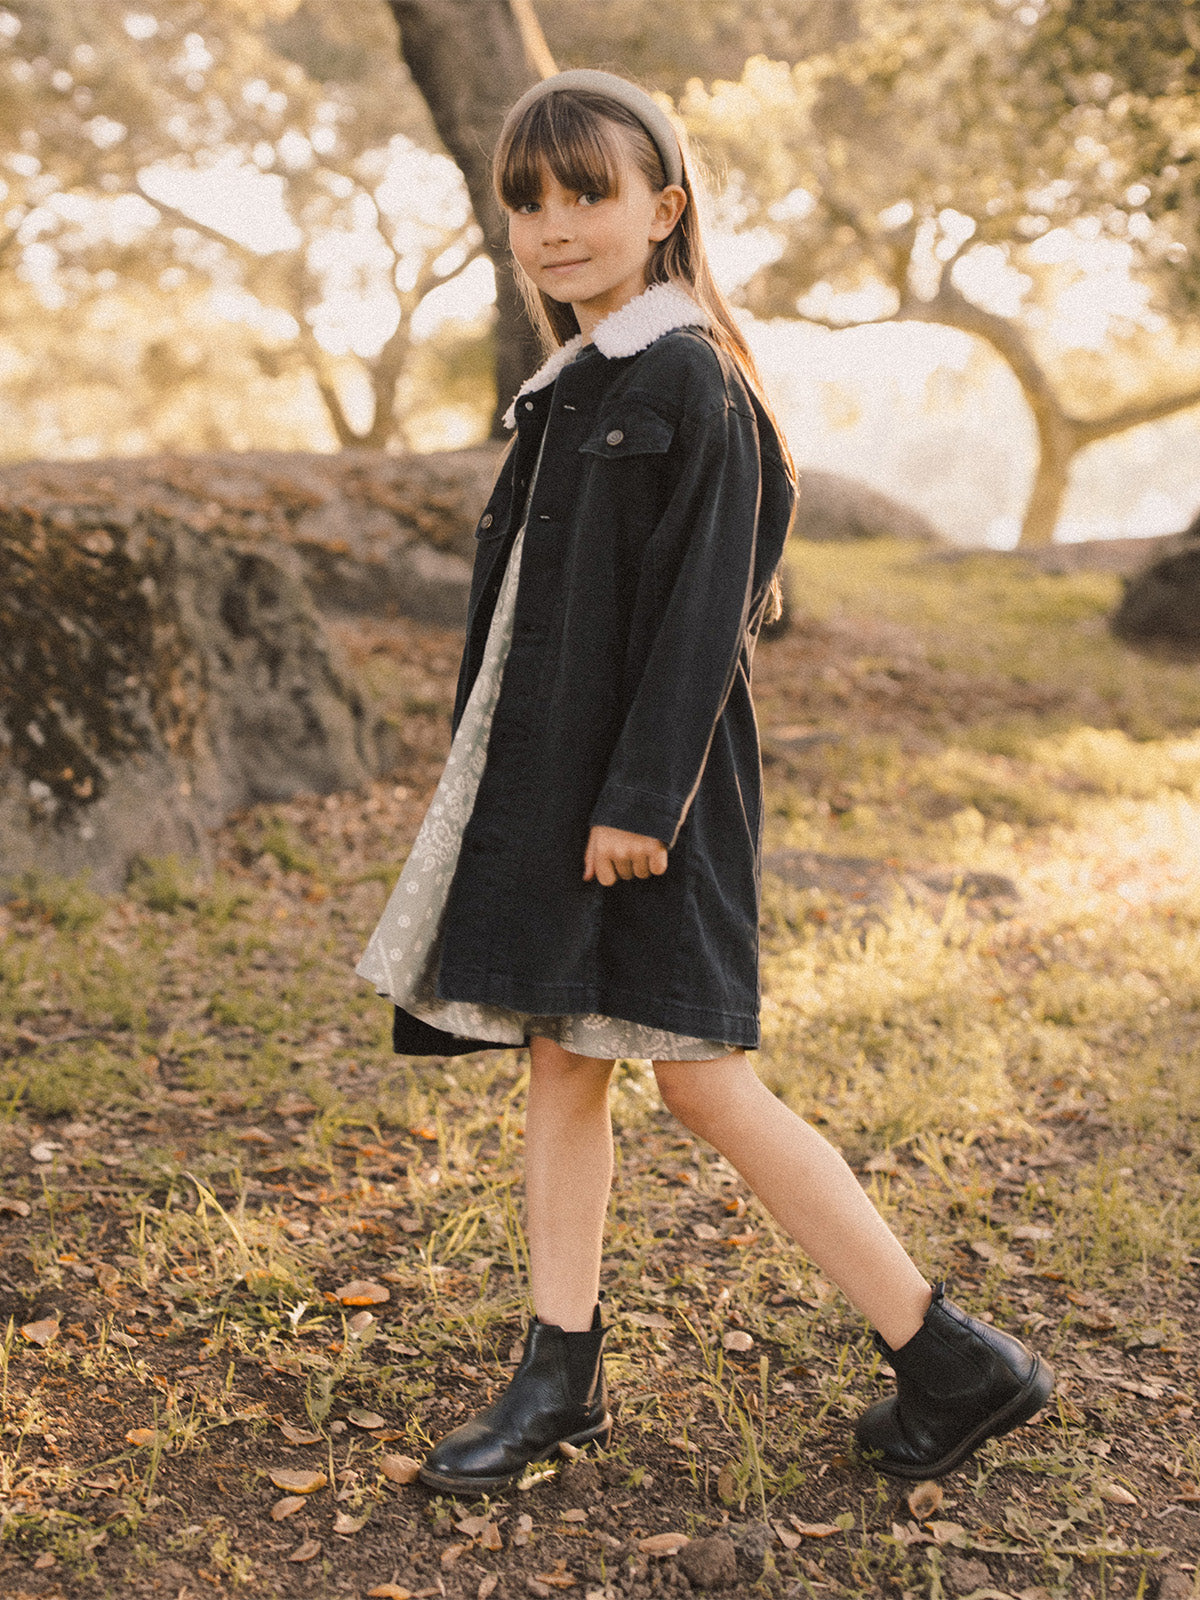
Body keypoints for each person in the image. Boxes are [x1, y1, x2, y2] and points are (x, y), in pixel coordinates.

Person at [357, 68, 1053, 1494]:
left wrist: (637, 804)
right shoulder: (570, 389)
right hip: (562, 798)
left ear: (662, 210)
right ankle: (560, 1375)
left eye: (589, 195)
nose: (555, 227)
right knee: (564, 1061)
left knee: (701, 1082)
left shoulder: (692, 381)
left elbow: (701, 621)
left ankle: (948, 1356)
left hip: (648, 811)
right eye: (528, 203)